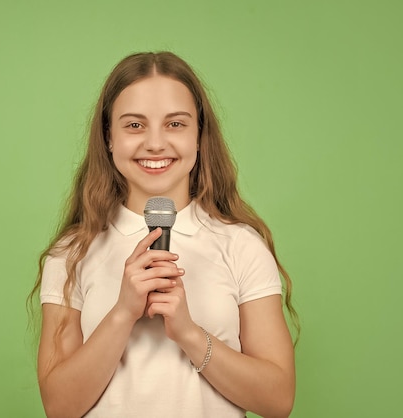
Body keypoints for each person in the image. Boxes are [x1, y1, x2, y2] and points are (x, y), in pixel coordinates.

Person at [29, 51, 297, 418]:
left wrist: (188, 332)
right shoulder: (71, 254)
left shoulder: (241, 246)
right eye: (134, 125)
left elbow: (278, 400)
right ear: (109, 137)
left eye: (175, 124)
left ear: (199, 136)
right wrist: (123, 312)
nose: (155, 144)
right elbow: (59, 407)